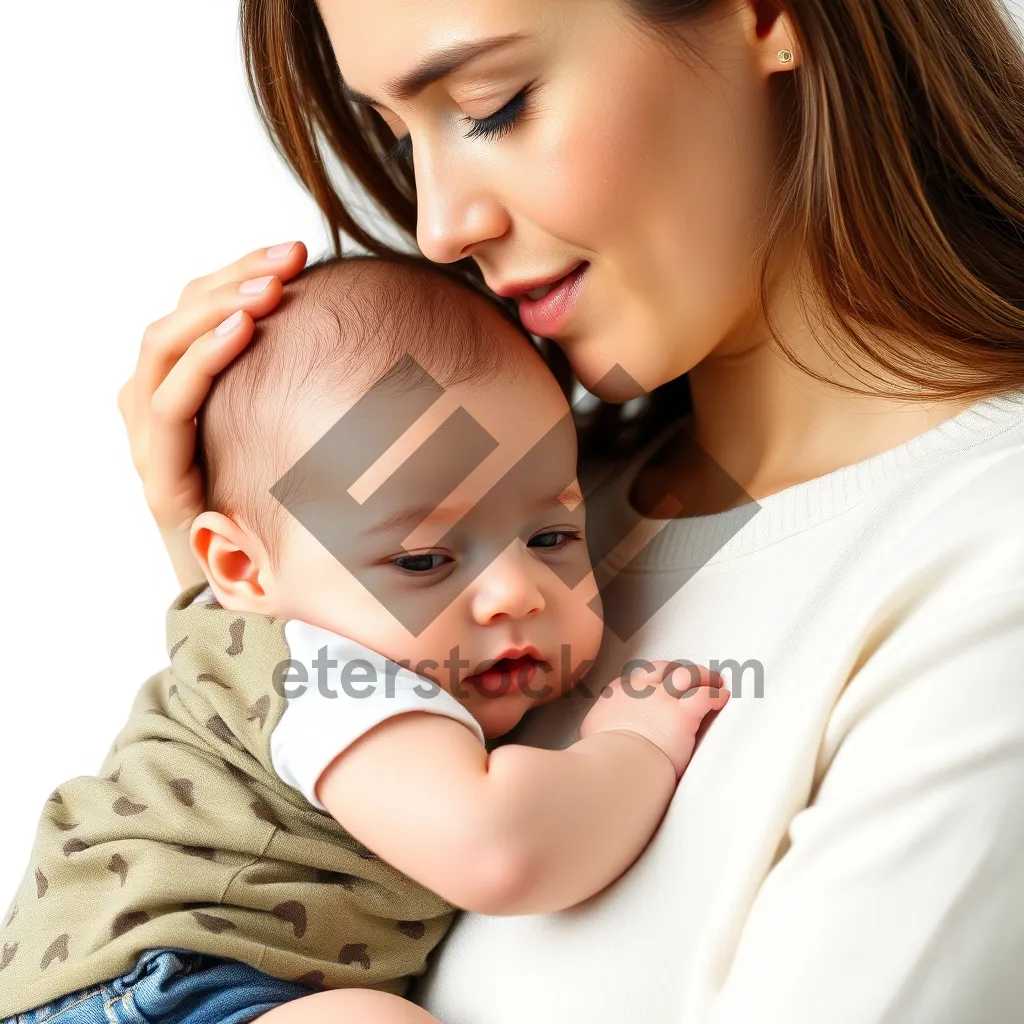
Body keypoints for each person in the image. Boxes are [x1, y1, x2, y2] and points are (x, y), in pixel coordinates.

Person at [113, 1, 1024, 1020]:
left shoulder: (986, 570)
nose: (436, 223)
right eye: (392, 133)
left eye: (490, 105)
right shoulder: (494, 518)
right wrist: (248, 596)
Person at [0, 255, 728, 1024]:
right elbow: (501, 847)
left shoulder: (282, 623)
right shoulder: (326, 676)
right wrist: (633, 741)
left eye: (551, 535)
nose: (518, 592)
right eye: (423, 559)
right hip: (162, 988)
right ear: (242, 568)